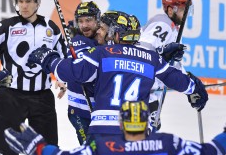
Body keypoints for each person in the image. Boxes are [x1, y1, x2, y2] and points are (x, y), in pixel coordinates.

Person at [26, 10, 208, 140]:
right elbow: (177, 79)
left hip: (104, 130)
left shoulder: (102, 53)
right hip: (138, 133)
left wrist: (49, 60)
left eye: (104, 28)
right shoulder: (151, 58)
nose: (99, 30)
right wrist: (195, 88)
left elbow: (75, 72)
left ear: (116, 34)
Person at [3, 100, 226, 155]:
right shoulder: (168, 144)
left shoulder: (104, 148)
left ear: (121, 123)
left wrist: (39, 149)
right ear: (147, 121)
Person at [0, 0, 67, 155]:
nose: (24, 5)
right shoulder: (7, 26)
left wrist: (62, 79)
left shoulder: (51, 28)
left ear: (37, 2)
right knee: (4, 152)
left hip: (43, 99)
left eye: (28, 1)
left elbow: (63, 60)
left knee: (46, 151)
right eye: (21, 1)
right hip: (11, 97)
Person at [138, 0, 192, 133]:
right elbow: (143, 52)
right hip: (145, 91)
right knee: (144, 135)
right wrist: (162, 54)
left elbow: (173, 63)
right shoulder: (163, 25)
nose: (186, 14)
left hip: (152, 91)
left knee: (151, 131)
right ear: (170, 10)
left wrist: (188, 82)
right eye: (182, 10)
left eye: (187, 9)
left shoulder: (173, 28)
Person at [66, 1, 100, 145]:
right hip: (80, 112)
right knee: (90, 153)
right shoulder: (78, 42)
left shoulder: (101, 39)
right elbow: (83, 69)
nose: (84, 25)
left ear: (98, 20)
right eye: (80, 21)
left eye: (89, 20)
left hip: (100, 111)